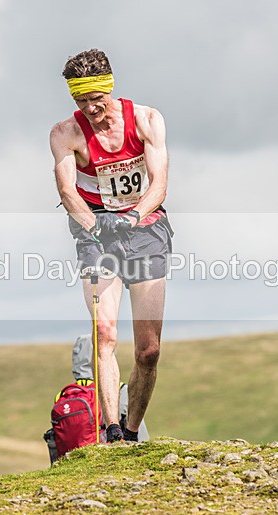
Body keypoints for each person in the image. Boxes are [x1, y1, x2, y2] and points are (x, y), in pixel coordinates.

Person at [49, 49, 172, 443]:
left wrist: (133, 217)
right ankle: (113, 431)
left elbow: (158, 183)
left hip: (145, 228)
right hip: (96, 232)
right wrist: (94, 226)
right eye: (81, 102)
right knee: (104, 333)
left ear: (109, 90)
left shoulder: (147, 120)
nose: (91, 110)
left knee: (148, 350)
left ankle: (133, 428)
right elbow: (67, 190)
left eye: (96, 101)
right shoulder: (65, 133)